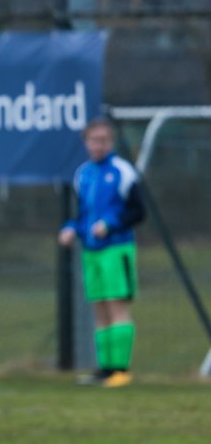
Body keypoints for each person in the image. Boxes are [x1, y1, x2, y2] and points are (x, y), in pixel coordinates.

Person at [58, 118, 145, 388]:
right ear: (86, 142)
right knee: (99, 309)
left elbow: (138, 211)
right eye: (94, 140)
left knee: (116, 306)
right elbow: (82, 214)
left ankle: (121, 369)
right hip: (91, 252)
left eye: (104, 140)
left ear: (111, 141)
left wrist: (110, 225)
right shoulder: (83, 174)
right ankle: (105, 369)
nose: (99, 145)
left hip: (116, 249)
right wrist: (71, 228)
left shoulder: (123, 171)